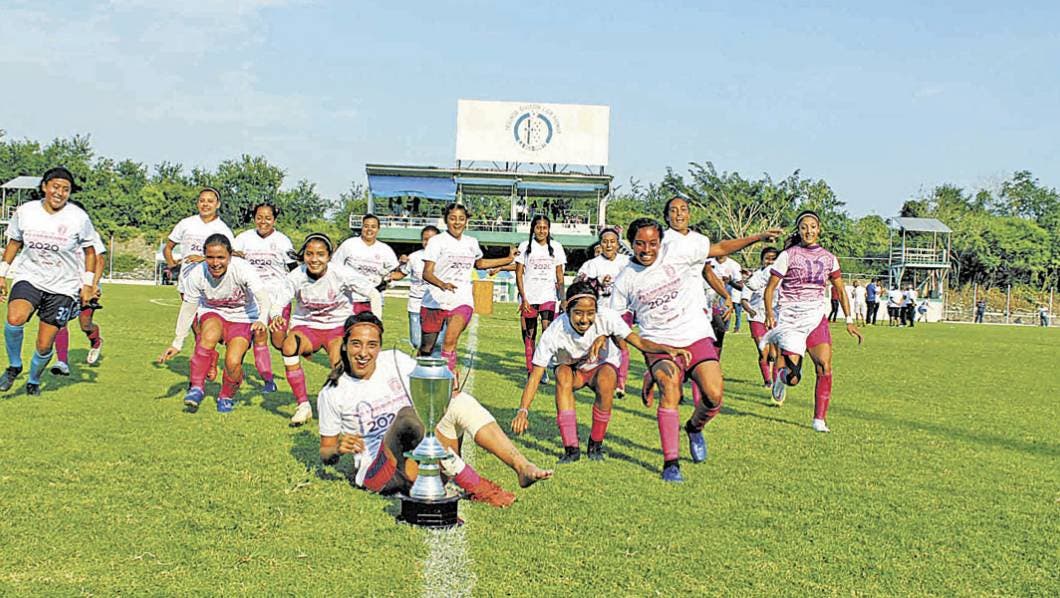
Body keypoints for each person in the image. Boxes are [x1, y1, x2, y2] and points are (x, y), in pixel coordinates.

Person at [317, 312, 552, 507]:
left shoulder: (394, 360)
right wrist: (338, 447)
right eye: (356, 344)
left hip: (425, 460)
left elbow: (428, 383)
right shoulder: (332, 392)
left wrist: (447, 384)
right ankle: (477, 486)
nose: (363, 353)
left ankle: (522, 466)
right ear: (344, 345)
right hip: (383, 474)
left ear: (380, 346)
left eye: (372, 345)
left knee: (460, 401)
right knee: (407, 417)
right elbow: (327, 454)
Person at [612, 217, 779, 483]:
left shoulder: (678, 253)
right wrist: (642, 345)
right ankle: (671, 464)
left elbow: (721, 248)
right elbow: (615, 321)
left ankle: (694, 427)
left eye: (653, 243)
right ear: (631, 244)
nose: (647, 249)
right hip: (660, 344)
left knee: (714, 395)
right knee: (670, 391)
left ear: (661, 242)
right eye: (640, 244)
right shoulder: (625, 279)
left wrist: (758, 237)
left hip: (695, 334)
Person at [511, 281, 690, 463]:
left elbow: (639, 342)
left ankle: (595, 445)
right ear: (567, 310)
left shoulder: (607, 317)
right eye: (578, 313)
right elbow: (535, 376)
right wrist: (523, 410)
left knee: (607, 378)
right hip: (572, 371)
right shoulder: (554, 332)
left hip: (598, 368)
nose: (584, 319)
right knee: (562, 375)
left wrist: (667, 350)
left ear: (597, 310)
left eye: (590, 313)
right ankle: (571, 449)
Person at [0, 167, 99, 395]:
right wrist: (2, 274)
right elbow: (14, 243)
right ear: (44, 186)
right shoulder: (26, 212)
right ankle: (14, 366)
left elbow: (90, 252)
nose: (59, 193)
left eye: (66, 189)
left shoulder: (78, 217)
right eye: (55, 187)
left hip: (63, 287)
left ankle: (34, 380)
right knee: (15, 318)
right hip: (30, 277)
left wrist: (87, 284)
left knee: (44, 345)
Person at [762, 210, 862, 433]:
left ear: (819, 229)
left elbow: (840, 289)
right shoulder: (788, 255)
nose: (808, 231)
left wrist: (849, 319)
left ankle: (819, 419)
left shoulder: (829, 258)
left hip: (816, 317)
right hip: (791, 318)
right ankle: (780, 379)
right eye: (804, 227)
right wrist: (769, 314)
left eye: (813, 227)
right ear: (799, 230)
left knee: (824, 365)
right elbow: (770, 288)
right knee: (793, 378)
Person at [268, 233, 382, 426]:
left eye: (320, 254)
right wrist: (276, 315)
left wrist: (376, 324)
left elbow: (374, 294)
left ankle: (346, 406)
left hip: (337, 327)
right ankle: (303, 406)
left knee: (339, 364)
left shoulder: (341, 273)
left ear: (329, 256)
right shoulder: (296, 276)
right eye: (309, 254)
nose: (314, 259)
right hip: (307, 327)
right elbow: (279, 302)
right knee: (289, 346)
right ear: (304, 255)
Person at [171, 234, 271, 413]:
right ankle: (196, 388)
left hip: (242, 317)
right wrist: (177, 343)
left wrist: (262, 319)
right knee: (208, 337)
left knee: (233, 362)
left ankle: (226, 396)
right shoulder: (197, 274)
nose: (215, 263)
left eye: (221, 257)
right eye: (210, 257)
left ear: (230, 256)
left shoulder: (242, 269)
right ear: (204, 256)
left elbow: (263, 298)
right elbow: (188, 308)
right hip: (213, 312)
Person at [419, 203, 515, 376]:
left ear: (466, 221)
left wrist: (507, 259)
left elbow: (480, 264)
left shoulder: (471, 243)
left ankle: (450, 380)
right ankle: (418, 376)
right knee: (427, 348)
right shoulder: (436, 242)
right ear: (446, 220)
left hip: (461, 299)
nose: (457, 222)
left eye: (461, 219)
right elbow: (427, 273)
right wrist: (442, 284)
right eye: (452, 218)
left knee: (449, 341)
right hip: (435, 300)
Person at [159, 187, 236, 365]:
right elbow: (168, 247)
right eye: (202, 200)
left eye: (210, 201)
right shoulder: (186, 223)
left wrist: (203, 258)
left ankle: (205, 359)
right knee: (194, 325)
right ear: (197, 203)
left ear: (217, 204)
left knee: (205, 323)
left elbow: (231, 256)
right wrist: (172, 265)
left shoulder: (222, 229)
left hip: (211, 283)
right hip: (187, 282)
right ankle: (207, 358)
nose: (205, 204)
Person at [233, 203, 296, 393]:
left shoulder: (283, 241)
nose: (263, 222)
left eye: (268, 218)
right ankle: (267, 380)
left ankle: (301, 345)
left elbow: (294, 269)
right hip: (252, 300)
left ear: (274, 220)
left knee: (278, 341)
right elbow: (230, 261)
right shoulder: (243, 239)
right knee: (257, 337)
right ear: (254, 218)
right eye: (259, 217)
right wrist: (234, 254)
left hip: (277, 299)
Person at [51, 202, 106, 375]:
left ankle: (96, 341)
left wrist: (94, 284)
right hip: (65, 286)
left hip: (87, 286)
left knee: (85, 325)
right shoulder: (58, 233)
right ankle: (62, 361)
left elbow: (100, 260)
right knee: (60, 322)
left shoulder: (91, 235)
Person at [576, 226, 632, 396]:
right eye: (605, 242)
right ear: (600, 244)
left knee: (621, 346)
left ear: (618, 244)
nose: (609, 245)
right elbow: (579, 283)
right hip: (600, 313)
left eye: (612, 242)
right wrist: (596, 281)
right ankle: (597, 378)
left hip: (622, 311)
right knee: (602, 349)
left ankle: (621, 383)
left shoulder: (627, 262)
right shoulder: (592, 264)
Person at [515, 215, 566, 376]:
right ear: (533, 229)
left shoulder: (556, 247)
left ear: (549, 229)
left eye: (545, 228)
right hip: (530, 297)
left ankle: (541, 365)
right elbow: (518, 274)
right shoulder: (525, 246)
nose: (541, 231)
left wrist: (563, 298)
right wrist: (523, 298)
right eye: (538, 227)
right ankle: (531, 369)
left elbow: (560, 275)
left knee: (547, 330)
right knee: (530, 334)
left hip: (548, 296)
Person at [332, 214, 401, 314]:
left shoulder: (385, 249)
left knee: (373, 324)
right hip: (349, 299)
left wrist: (388, 278)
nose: (369, 229)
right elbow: (334, 267)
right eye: (366, 226)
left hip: (373, 299)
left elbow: (394, 271)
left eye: (373, 227)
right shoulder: (349, 244)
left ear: (378, 229)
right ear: (362, 227)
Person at [740, 247, 781, 389]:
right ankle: (767, 381)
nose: (770, 261)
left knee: (774, 354)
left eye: (773, 259)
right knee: (764, 351)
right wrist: (750, 310)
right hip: (757, 318)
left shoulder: (780, 277)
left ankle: (776, 382)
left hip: (775, 317)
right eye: (767, 258)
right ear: (762, 259)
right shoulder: (755, 276)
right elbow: (744, 299)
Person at [400, 225, 442, 352]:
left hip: (437, 305)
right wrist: (398, 265)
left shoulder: (445, 257)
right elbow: (400, 274)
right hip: (416, 305)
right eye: (425, 239)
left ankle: (431, 364)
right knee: (417, 342)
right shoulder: (414, 257)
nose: (428, 242)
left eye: (431, 239)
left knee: (437, 343)